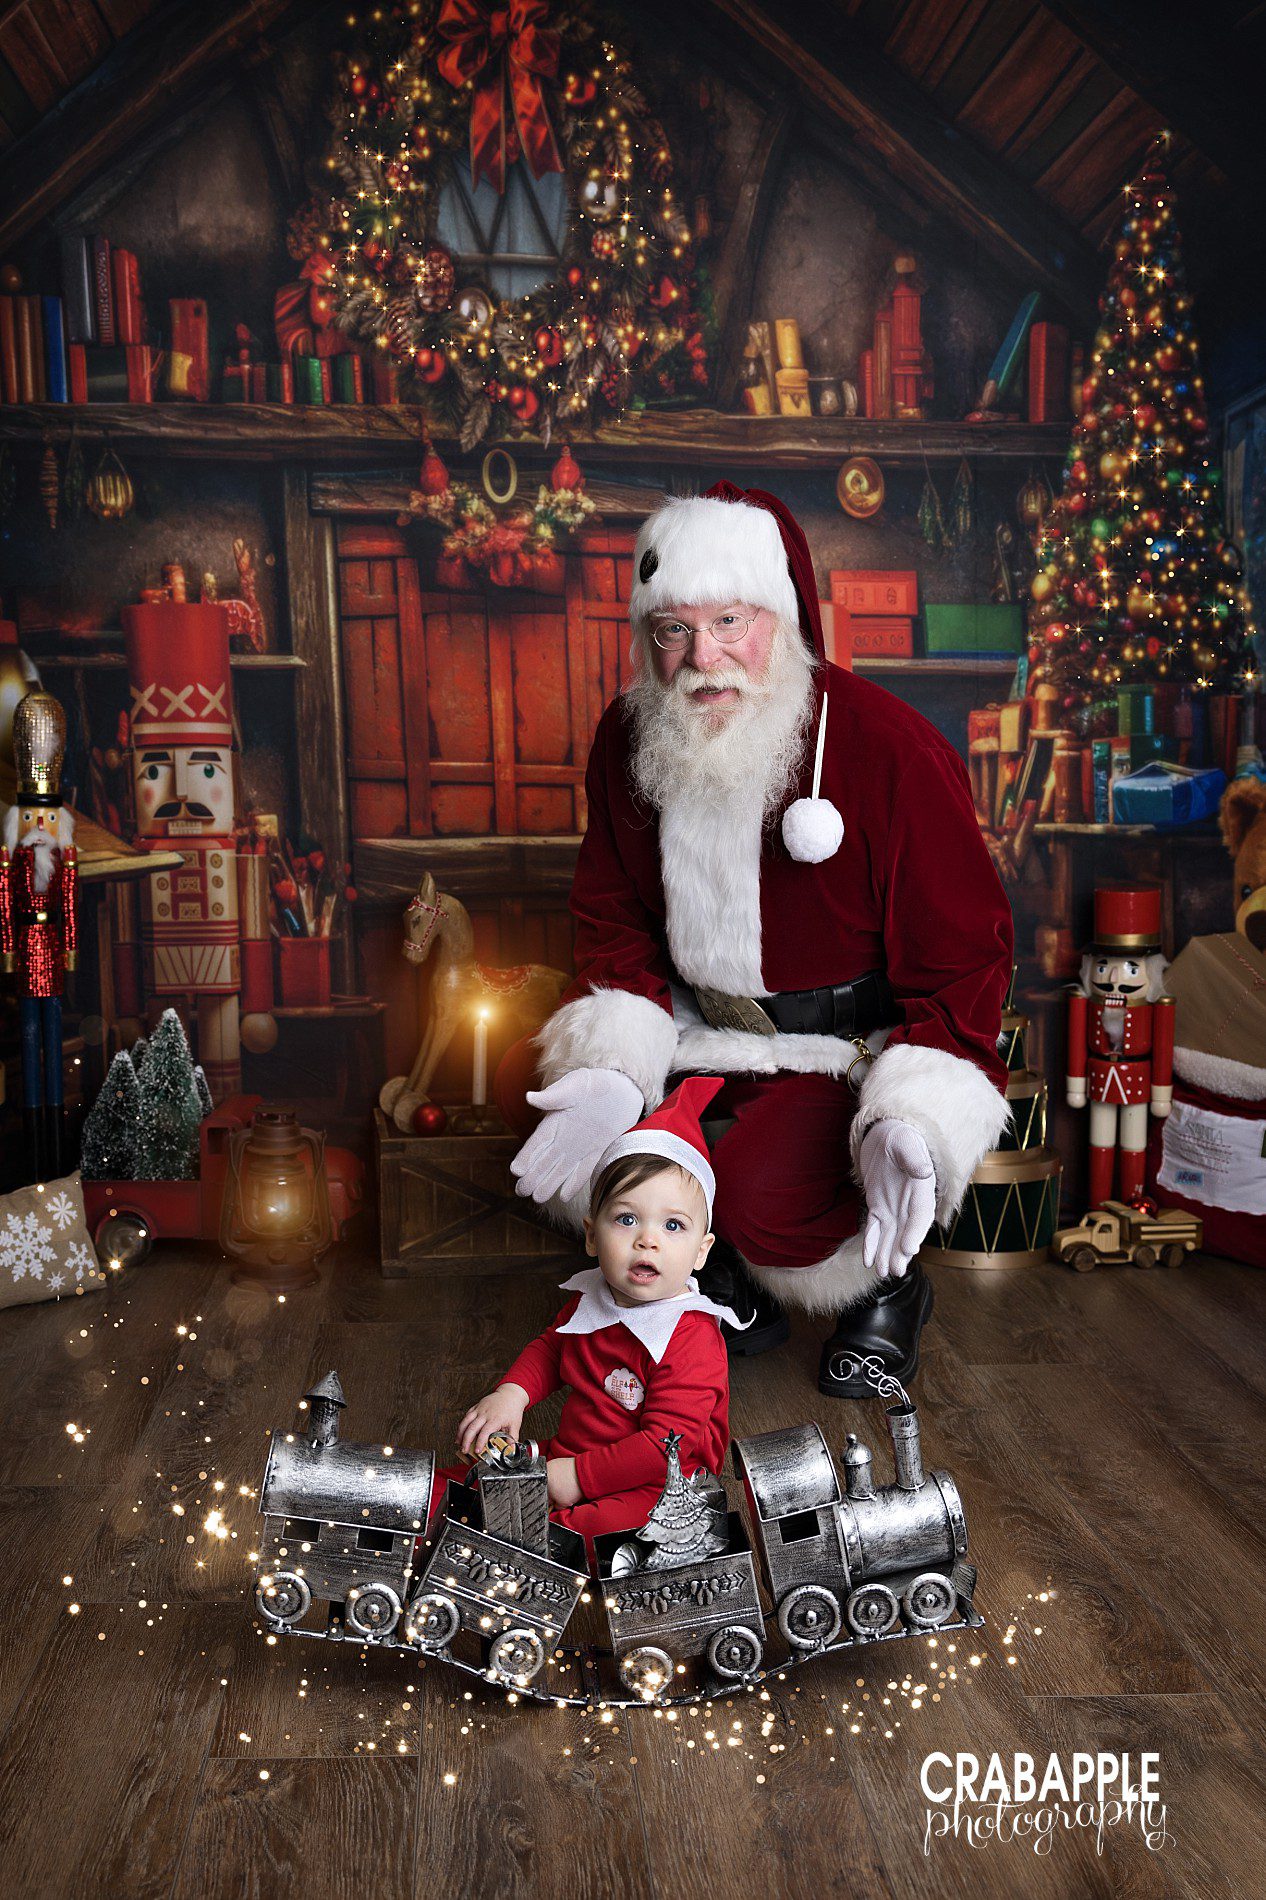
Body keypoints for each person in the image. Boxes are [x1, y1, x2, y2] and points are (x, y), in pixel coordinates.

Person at [503, 482, 1012, 1397]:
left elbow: (965, 956)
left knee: (757, 1189)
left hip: (841, 1049)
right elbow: (614, 923)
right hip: (704, 1035)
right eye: (672, 630)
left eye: (730, 622)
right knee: (602, 1143)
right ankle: (725, 1272)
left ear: (780, 618)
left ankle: (890, 1288)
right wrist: (613, 1069)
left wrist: (915, 1110)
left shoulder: (887, 746)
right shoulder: (627, 738)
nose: (703, 659)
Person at [450, 1077, 743, 1554]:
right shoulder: (593, 1302)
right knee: (483, 1488)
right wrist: (512, 1395)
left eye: (673, 1225)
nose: (647, 1240)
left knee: (573, 1534)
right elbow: (552, 1350)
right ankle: (439, 1511)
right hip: (577, 1456)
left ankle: (528, 1550)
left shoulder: (690, 1338)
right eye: (626, 1219)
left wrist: (574, 1480)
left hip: (663, 1484)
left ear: (700, 1252)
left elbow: (665, 1446)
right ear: (591, 1236)